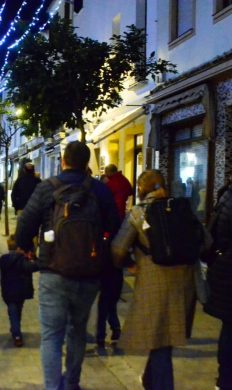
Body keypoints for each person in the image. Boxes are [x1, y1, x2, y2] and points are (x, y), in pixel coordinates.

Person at [16, 141, 119, 390]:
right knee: (78, 330)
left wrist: (26, 247)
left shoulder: (47, 188)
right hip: (89, 272)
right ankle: (72, 382)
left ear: (63, 160)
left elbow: (25, 225)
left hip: (53, 270)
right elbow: (114, 225)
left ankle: (53, 386)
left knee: (52, 335)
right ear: (87, 163)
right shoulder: (98, 189)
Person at [111, 170, 196, 390]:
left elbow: (118, 249)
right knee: (163, 339)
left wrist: (129, 264)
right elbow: (204, 242)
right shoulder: (183, 208)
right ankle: (150, 380)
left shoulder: (139, 213)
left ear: (142, 189)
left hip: (152, 281)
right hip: (183, 283)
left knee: (160, 340)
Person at [95, 163, 132, 348]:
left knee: (104, 302)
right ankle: (114, 328)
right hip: (115, 268)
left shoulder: (101, 220)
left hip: (105, 266)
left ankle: (101, 335)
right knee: (111, 300)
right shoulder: (118, 222)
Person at [204, 179, 232, 390]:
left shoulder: (226, 195)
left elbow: (215, 237)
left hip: (226, 269)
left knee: (229, 328)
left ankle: (224, 380)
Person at [0, 234, 38, 347]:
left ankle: (15, 329)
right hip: (21, 291)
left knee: (13, 311)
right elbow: (33, 267)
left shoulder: (3, 259)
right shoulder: (22, 260)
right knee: (16, 311)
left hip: (8, 292)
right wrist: (33, 259)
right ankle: (17, 335)